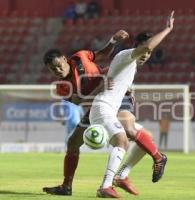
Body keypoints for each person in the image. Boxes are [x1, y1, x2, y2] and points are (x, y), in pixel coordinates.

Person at [42, 30, 156, 197]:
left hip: (114, 94)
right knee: (73, 142)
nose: (58, 70)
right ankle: (68, 186)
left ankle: (132, 170)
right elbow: (80, 102)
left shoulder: (81, 56)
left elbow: (101, 54)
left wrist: (112, 41)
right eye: (53, 69)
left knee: (130, 131)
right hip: (98, 104)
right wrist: (99, 88)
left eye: (59, 65)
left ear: (65, 59)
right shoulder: (61, 86)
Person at [89, 11, 175, 198]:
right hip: (102, 108)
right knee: (123, 139)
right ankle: (105, 186)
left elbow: (113, 76)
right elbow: (142, 50)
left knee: (147, 138)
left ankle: (122, 175)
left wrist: (127, 90)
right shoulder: (126, 55)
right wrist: (167, 29)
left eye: (149, 53)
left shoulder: (131, 66)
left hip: (110, 109)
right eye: (145, 49)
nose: (147, 54)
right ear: (137, 47)